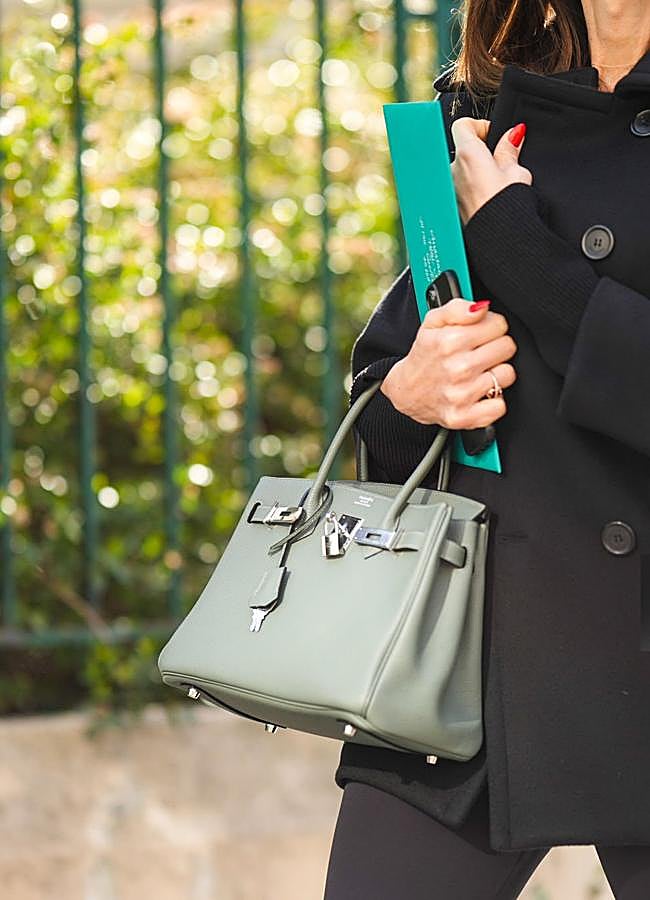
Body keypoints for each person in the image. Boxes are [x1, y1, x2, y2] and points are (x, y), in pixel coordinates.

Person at [323, 0, 650, 897]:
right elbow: (387, 404)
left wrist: (525, 253)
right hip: (475, 668)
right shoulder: (483, 113)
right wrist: (413, 391)